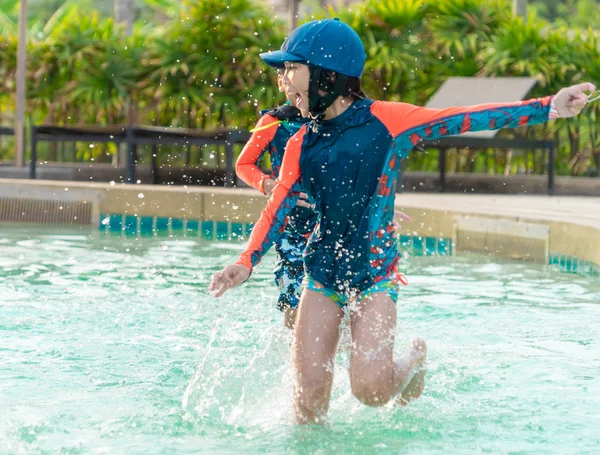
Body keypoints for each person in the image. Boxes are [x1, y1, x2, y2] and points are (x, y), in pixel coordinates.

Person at [210, 18, 595, 424]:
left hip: (374, 274)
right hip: (322, 274)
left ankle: (413, 359)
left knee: (371, 391)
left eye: (292, 69)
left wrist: (549, 106)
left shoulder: (387, 121)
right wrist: (246, 261)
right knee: (307, 405)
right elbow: (279, 206)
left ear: (327, 74)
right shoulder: (300, 141)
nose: (284, 81)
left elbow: (466, 117)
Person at [235, 74, 317, 329]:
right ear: (280, 84)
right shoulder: (273, 122)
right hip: (290, 222)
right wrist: (268, 184)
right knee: (292, 295)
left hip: (329, 219)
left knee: (340, 297)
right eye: (286, 80)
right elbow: (243, 165)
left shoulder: (333, 120)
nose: (293, 88)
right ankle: (296, 359)